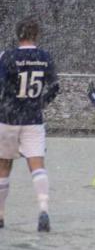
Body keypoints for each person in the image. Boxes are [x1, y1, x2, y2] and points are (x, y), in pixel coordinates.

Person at [0, 16, 60, 232]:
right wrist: (40, 103)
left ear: (18, 35)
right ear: (36, 35)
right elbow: (55, 87)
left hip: (8, 117)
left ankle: (1, 215)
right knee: (37, 164)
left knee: (4, 165)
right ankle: (43, 210)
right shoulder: (45, 57)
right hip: (33, 118)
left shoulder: (7, 57)